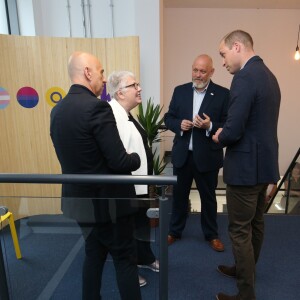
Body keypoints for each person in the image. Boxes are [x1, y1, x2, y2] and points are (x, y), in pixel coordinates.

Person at [50, 51, 142, 300]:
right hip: (108, 204)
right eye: (101, 72)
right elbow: (120, 161)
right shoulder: (97, 107)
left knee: (94, 253)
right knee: (125, 259)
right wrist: (136, 157)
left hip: (79, 202)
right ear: (88, 72)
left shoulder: (57, 111)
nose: (103, 78)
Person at [213, 30, 281, 300]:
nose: (223, 61)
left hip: (244, 168)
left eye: (223, 54)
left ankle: (245, 293)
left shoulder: (243, 78)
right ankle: (245, 270)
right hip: (264, 165)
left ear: (237, 47)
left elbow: (233, 129)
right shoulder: (269, 75)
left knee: (240, 229)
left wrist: (219, 135)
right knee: (256, 223)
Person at [164, 54, 229, 252]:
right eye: (195, 70)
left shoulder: (223, 94)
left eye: (202, 71)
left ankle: (211, 235)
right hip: (183, 155)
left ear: (211, 72)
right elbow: (169, 117)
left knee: (208, 198)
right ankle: (175, 231)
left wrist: (210, 126)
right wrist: (179, 125)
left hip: (208, 156)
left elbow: (229, 124)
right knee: (179, 196)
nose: (198, 75)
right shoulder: (180, 91)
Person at [107, 70, 159, 288]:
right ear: (120, 93)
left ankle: (144, 258)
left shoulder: (127, 113)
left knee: (140, 224)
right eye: (134, 85)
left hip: (140, 185)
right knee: (127, 230)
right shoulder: (112, 116)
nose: (139, 88)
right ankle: (129, 271)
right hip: (126, 189)